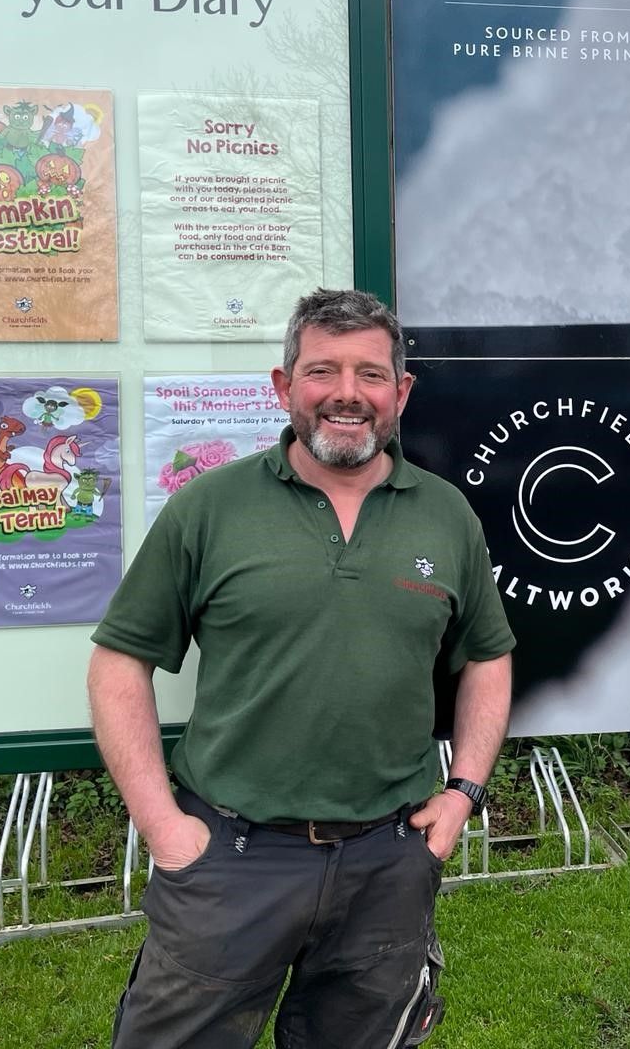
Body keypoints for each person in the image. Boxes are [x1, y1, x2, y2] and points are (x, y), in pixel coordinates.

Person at [88, 287, 515, 1049]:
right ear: (284, 387)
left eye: (370, 374)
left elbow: (487, 655)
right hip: (229, 860)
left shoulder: (445, 514)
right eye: (323, 371)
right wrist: (164, 829)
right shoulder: (210, 508)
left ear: (401, 392)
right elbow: (121, 661)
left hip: (389, 863)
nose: (347, 394)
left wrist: (461, 797)